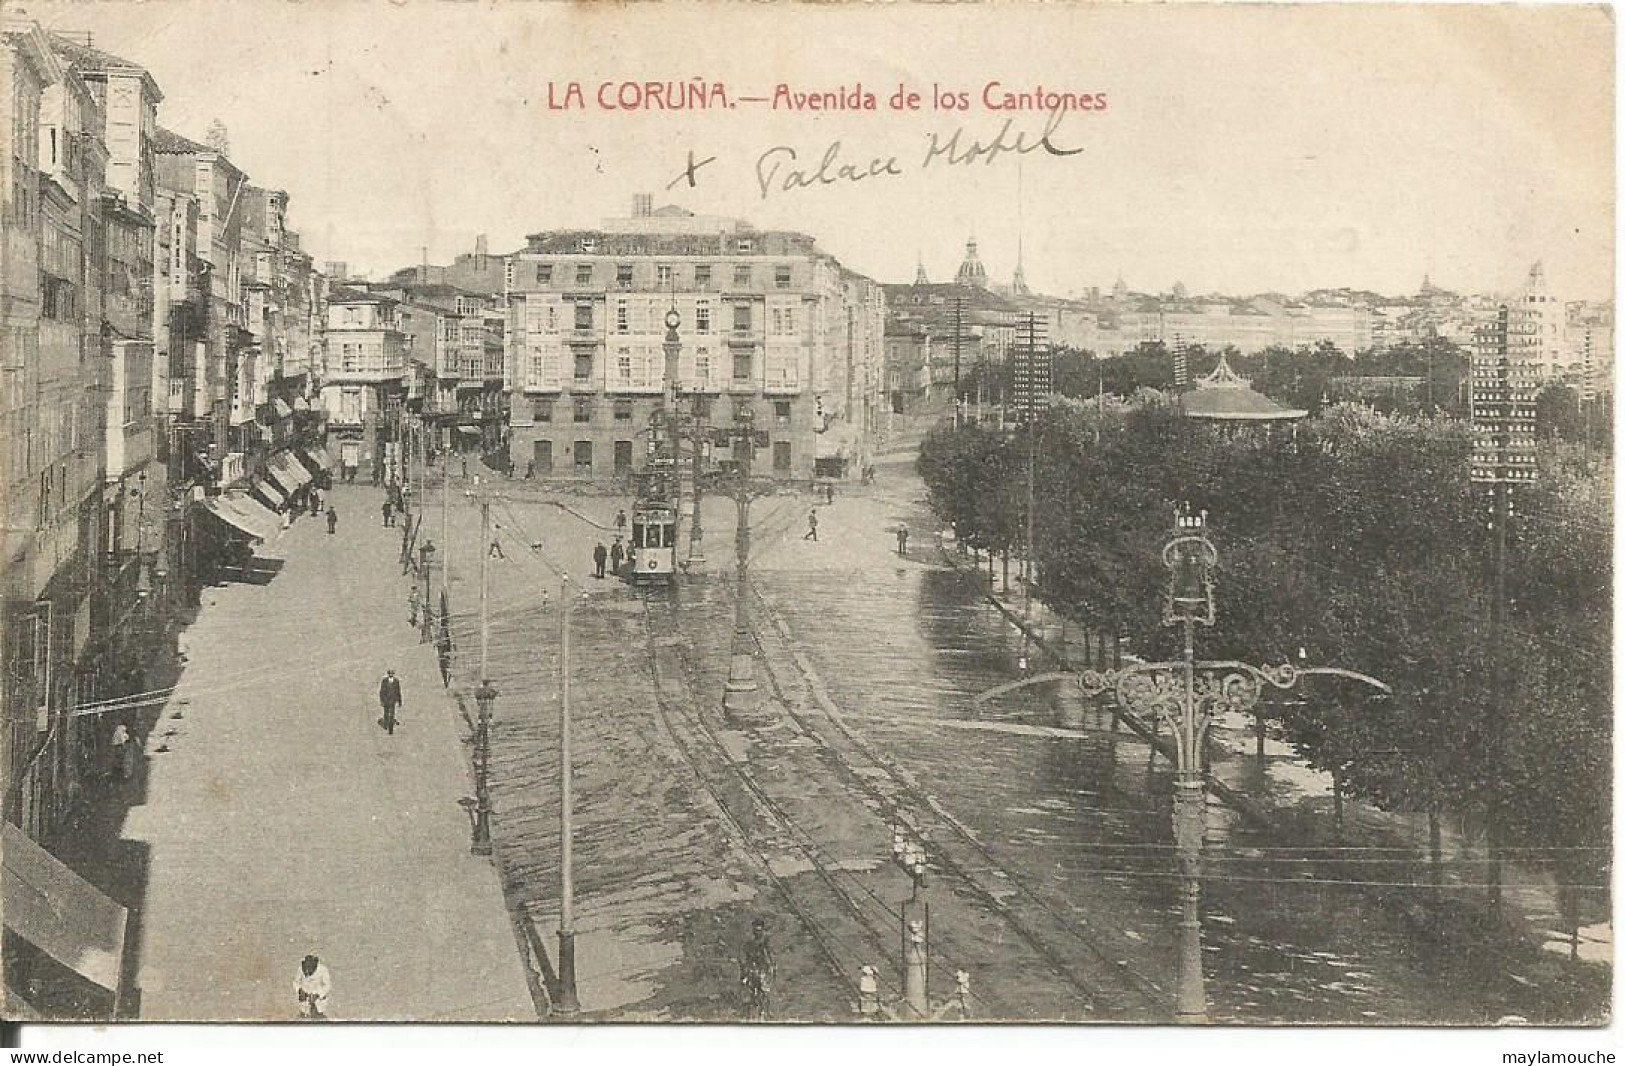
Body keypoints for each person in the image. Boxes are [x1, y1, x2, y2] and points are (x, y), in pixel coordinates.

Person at [739, 919, 775, 1020]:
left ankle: (765, 1011)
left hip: (762, 968)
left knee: (764, 990)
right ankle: (752, 1010)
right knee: (751, 988)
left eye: (759, 930)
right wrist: (745, 969)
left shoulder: (765, 942)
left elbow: (769, 955)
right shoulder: (749, 943)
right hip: (752, 968)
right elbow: (745, 957)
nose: (757, 932)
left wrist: (771, 966)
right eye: (756, 930)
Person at [296, 955, 331, 1020]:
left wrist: (318, 994)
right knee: (303, 1017)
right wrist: (299, 990)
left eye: (310, 967)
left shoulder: (323, 969)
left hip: (319, 1000)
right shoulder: (300, 969)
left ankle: (318, 1013)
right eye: (306, 967)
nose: (308, 970)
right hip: (304, 999)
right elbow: (296, 982)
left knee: (318, 1018)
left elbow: (327, 985)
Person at [378, 668, 402, 734]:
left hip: (393, 700)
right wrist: (382, 700)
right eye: (390, 673)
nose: (391, 675)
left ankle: (390, 729)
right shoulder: (384, 681)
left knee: (392, 714)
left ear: (393, 674)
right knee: (386, 713)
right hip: (386, 700)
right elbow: (382, 691)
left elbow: (398, 691)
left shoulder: (396, 681)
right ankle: (385, 724)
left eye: (392, 673)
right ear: (388, 674)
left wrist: (399, 701)